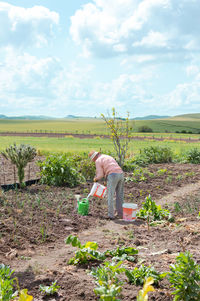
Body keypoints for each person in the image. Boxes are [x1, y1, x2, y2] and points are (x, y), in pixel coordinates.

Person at [89, 150, 124, 219]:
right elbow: (110, 168)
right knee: (119, 195)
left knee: (110, 195)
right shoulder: (107, 156)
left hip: (112, 175)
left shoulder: (98, 160)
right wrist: (106, 179)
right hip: (121, 174)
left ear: (94, 158)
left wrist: (95, 179)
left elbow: (100, 175)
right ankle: (121, 214)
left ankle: (111, 215)